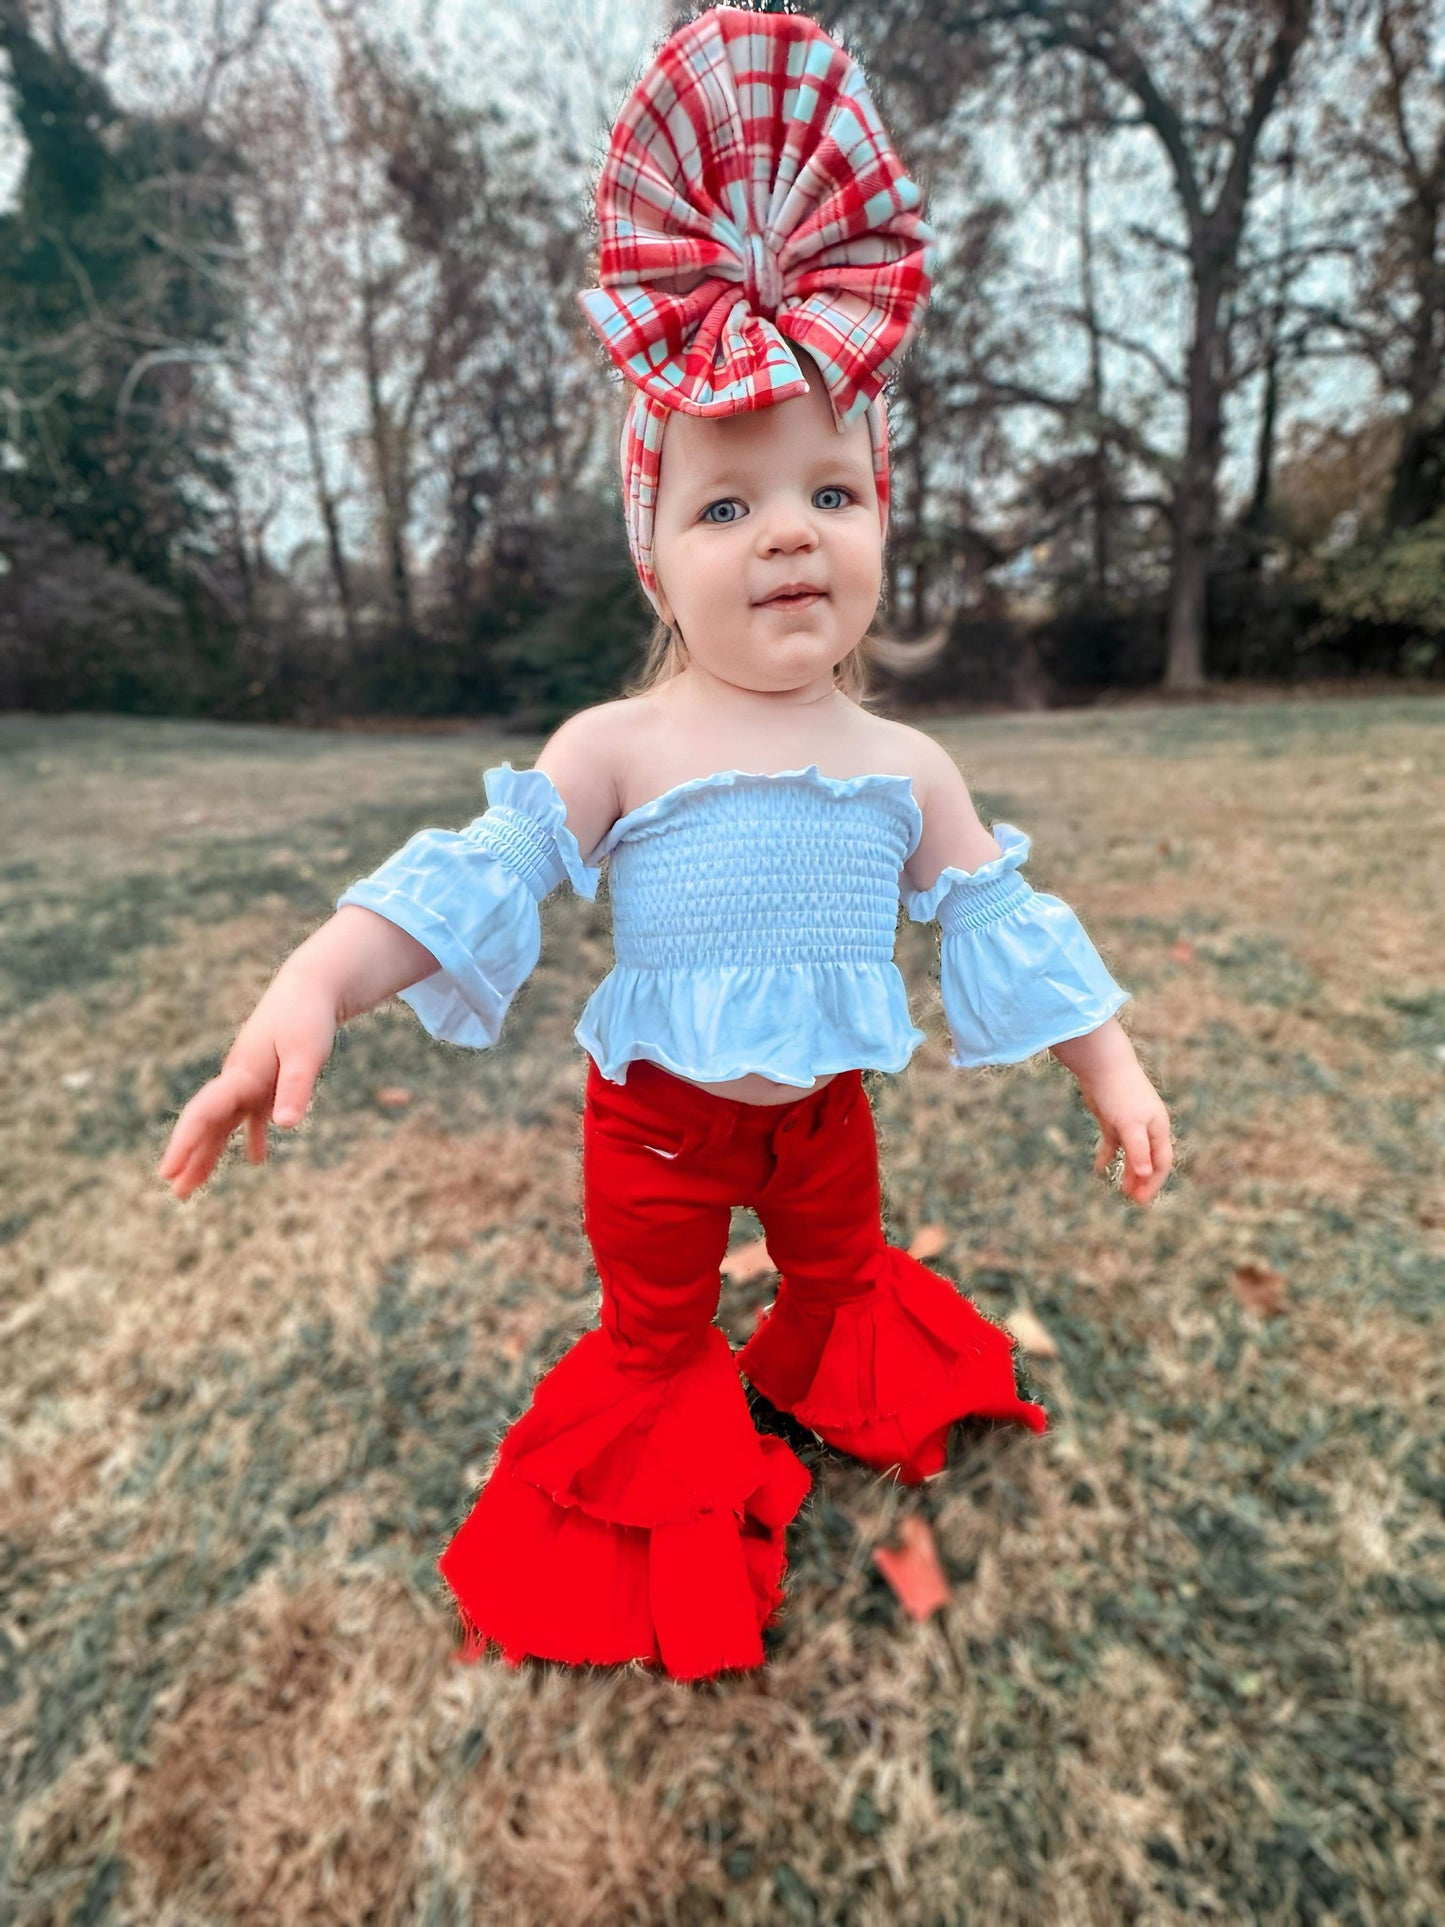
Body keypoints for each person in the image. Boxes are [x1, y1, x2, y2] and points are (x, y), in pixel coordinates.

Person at [157, 5, 1173, 1683]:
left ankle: (829, 1364)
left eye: (827, 493)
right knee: (655, 1326)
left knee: (838, 1268)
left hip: (824, 1118)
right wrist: (317, 983)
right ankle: (664, 1477)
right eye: (725, 503)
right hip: (657, 1135)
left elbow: (1010, 922)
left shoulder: (903, 762)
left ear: (876, 524)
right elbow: (471, 881)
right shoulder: (617, 749)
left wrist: (1113, 1074)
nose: (785, 528)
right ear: (654, 556)